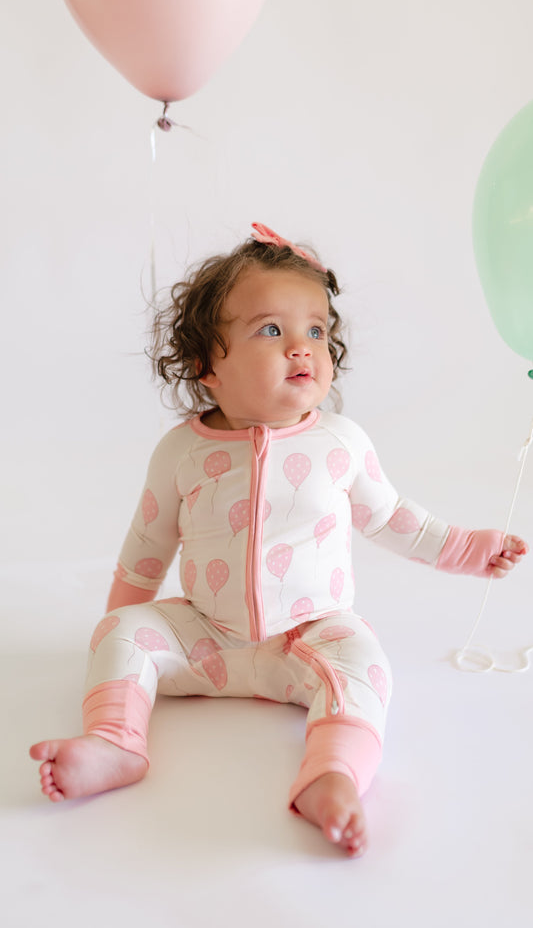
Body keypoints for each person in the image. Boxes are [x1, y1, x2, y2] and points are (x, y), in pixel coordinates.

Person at [30, 223, 528, 858]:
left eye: (316, 331)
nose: (303, 348)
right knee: (123, 633)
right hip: (204, 639)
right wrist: (115, 625)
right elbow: (147, 541)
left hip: (307, 638)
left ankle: (330, 775)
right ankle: (114, 743)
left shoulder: (341, 443)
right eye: (272, 330)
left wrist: (469, 549)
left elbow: (394, 517)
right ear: (207, 365)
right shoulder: (182, 451)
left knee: (366, 661)